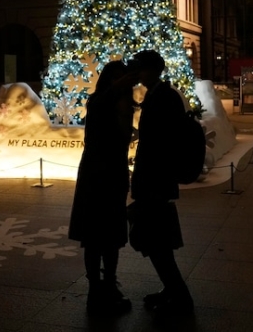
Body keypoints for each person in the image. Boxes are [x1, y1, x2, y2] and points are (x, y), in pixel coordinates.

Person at [68, 60, 139, 315]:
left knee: (111, 237)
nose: (120, 84)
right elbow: (99, 104)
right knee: (93, 236)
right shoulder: (99, 102)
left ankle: (108, 285)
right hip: (95, 176)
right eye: (114, 79)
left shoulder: (125, 107)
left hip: (114, 176)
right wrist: (119, 85)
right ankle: (96, 289)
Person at [128, 50, 194, 316]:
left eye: (141, 68)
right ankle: (172, 290)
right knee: (158, 242)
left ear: (154, 70)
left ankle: (180, 296)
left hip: (156, 180)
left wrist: (148, 180)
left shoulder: (163, 97)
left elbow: (162, 143)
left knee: (158, 243)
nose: (137, 73)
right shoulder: (158, 95)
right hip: (155, 178)